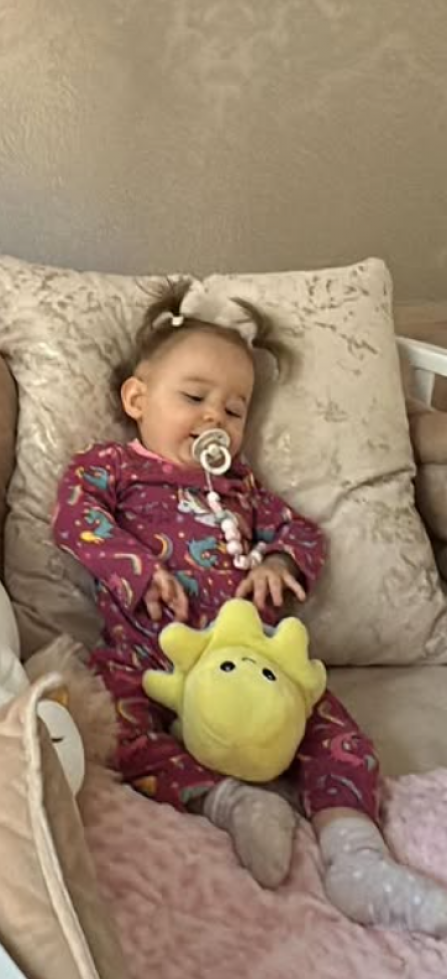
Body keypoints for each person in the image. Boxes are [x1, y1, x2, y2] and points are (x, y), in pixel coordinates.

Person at [53, 278, 447, 936]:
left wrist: (278, 564)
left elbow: (302, 533)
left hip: (254, 658)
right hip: (149, 658)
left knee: (333, 731)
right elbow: (75, 516)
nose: (216, 418)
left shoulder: (242, 489)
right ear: (137, 399)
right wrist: (137, 569)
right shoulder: (112, 467)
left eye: (235, 410)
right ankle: (229, 802)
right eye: (194, 398)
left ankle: (356, 855)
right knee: (117, 732)